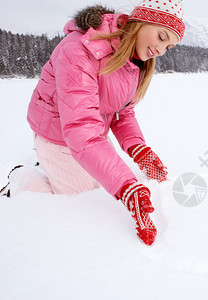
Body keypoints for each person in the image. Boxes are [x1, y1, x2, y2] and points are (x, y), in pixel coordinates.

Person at [0, 1, 186, 245]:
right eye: (161, 37)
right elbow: (80, 128)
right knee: (85, 197)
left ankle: (55, 168)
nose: (161, 50)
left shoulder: (134, 59)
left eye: (169, 47)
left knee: (104, 181)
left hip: (92, 133)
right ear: (140, 20)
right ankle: (21, 179)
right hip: (58, 135)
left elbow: (122, 112)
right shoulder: (79, 49)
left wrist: (138, 148)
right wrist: (128, 188)